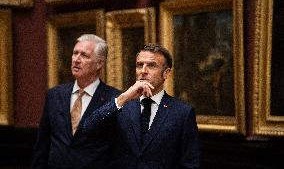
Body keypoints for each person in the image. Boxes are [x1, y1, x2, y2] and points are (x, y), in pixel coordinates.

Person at [84, 44, 200, 169]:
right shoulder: (121, 103)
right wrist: (124, 97)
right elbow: (88, 128)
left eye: (151, 65)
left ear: (166, 73)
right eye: (140, 65)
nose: (143, 71)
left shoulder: (182, 112)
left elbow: (190, 163)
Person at [31, 34, 120, 169]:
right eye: (75, 53)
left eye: (84, 55)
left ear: (100, 63)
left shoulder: (113, 99)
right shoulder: (55, 95)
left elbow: (119, 151)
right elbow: (42, 146)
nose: (76, 59)